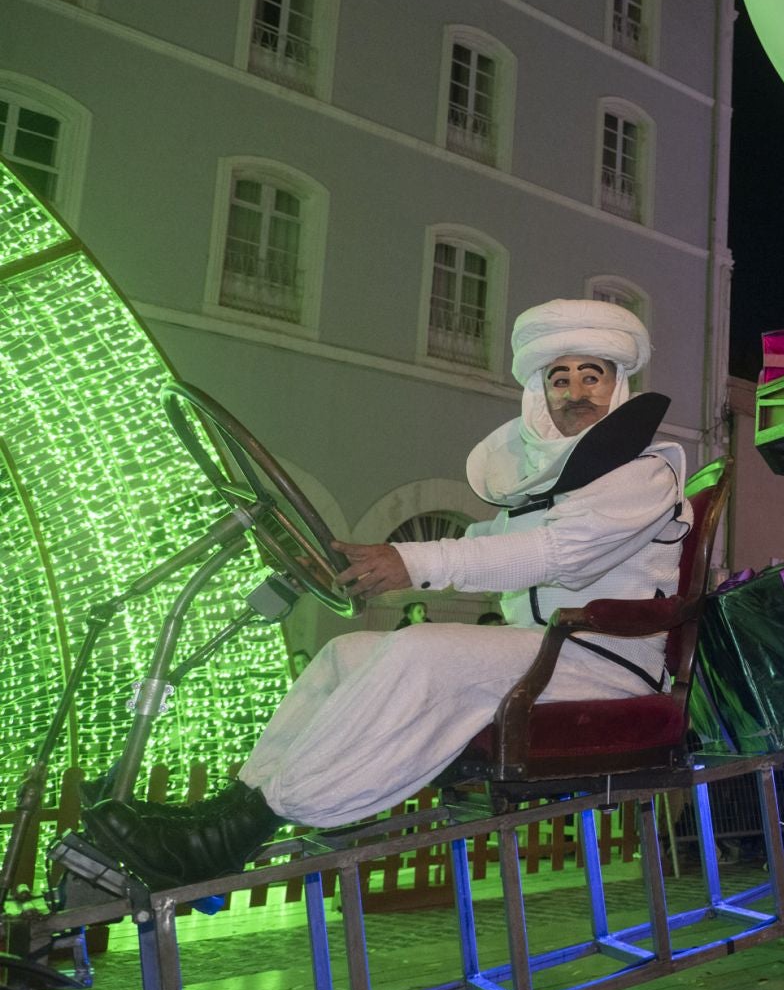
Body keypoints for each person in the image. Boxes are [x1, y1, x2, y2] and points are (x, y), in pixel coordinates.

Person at [84, 300, 685, 889]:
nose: (576, 391)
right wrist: (346, 560)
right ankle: (233, 814)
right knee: (343, 656)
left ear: (619, 388)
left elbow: (559, 555)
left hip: (604, 663)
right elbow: (485, 543)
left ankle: (234, 833)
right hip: (543, 651)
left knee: (419, 649)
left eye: (592, 376)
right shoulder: (548, 485)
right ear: (542, 394)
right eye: (561, 378)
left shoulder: (643, 475)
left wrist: (413, 561)